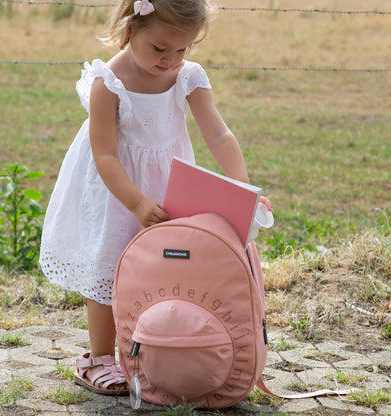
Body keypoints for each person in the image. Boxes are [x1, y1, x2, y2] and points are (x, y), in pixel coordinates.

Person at [39, 0, 271, 395]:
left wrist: (241, 188)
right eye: (160, 49)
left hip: (169, 184)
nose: (170, 60)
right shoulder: (107, 82)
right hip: (118, 189)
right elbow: (105, 155)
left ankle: (156, 346)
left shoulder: (187, 76)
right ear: (130, 30)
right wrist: (135, 202)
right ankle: (98, 359)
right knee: (108, 269)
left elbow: (218, 135)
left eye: (182, 50)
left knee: (168, 266)